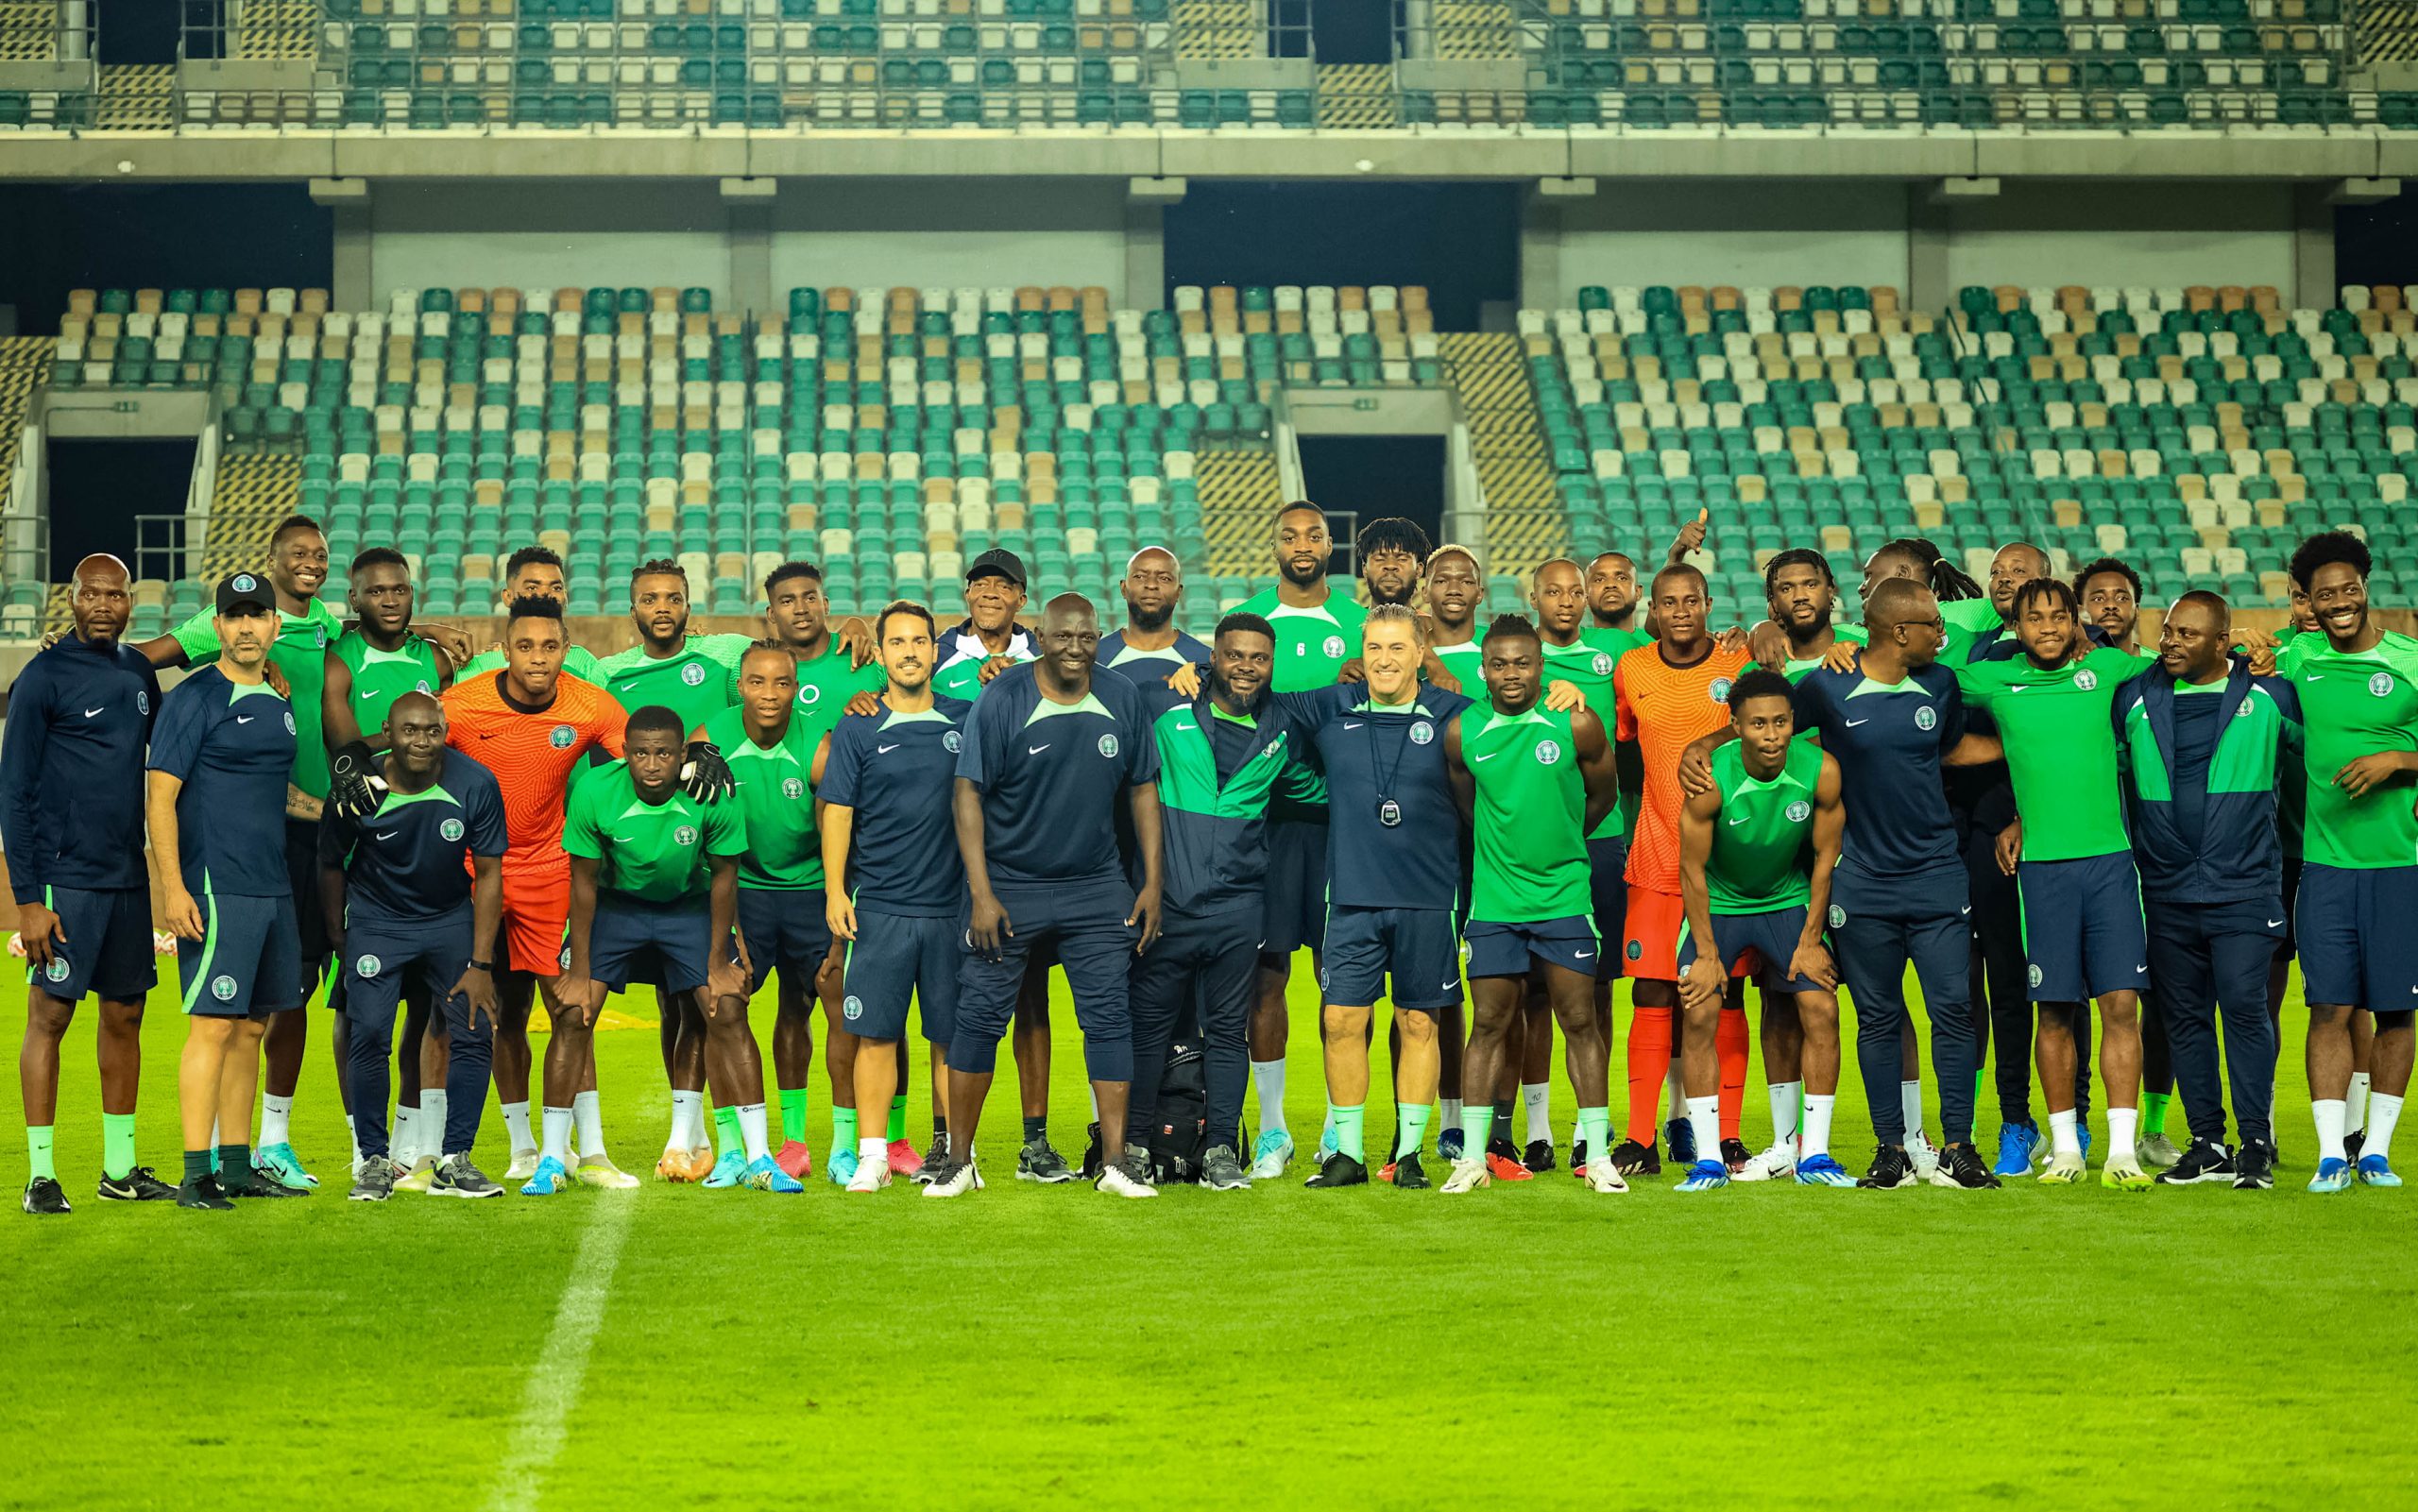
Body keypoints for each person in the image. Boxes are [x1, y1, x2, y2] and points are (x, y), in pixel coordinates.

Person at [1725, 576, 2000, 1189]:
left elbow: (1947, 749)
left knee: (1953, 1012)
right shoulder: (1829, 684)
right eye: (1932, 624)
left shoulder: (1940, 683)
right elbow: (1770, 728)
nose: (1941, 633)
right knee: (1877, 1017)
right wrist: (1703, 747)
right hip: (1863, 880)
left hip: (1936, 874)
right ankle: (1891, 1148)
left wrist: (2027, 747)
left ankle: (1958, 1146)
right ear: (1900, 631)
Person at [924, 594, 1164, 1200]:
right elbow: (967, 792)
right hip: (1011, 884)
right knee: (979, 1018)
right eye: (1063, 637)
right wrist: (981, 893)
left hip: (1095, 885)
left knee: (1109, 1018)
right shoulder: (1003, 698)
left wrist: (1152, 884)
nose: (1076, 648)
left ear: (1098, 637)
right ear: (1042, 637)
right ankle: (959, 1163)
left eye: (1087, 637)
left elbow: (1143, 789)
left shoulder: (1121, 696)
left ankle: (1115, 1164)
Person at [137, 518, 343, 1192]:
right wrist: (172, 890)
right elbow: (160, 797)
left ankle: (236, 1163)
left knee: (253, 1027)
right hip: (216, 886)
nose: (247, 627)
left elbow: (276, 790)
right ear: (218, 627)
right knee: (213, 1027)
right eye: (235, 616)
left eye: (257, 615)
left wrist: (337, 814)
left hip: (273, 886)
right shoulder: (195, 697)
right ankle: (196, 1175)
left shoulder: (277, 699)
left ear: (275, 625)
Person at [1956, 577, 2156, 1188]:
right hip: (2042, 871)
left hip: (2111, 864)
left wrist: (2257, 651)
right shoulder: (1993, 679)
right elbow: (1917, 670)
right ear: (2014, 627)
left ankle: (2121, 1151)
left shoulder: (2108, 667)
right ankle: (2066, 1148)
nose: (2047, 626)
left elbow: (2176, 660)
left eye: (2058, 616)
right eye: (2034, 617)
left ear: (2077, 622)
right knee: (2054, 1009)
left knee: (2120, 1005)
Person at [437, 596, 633, 1185]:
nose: (538, 658)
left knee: (573, 1008)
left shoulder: (589, 703)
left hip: (550, 868)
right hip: (475, 871)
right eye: (525, 647)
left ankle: (591, 1151)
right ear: (505, 650)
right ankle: (523, 1148)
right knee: (496, 1011)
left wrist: (698, 757)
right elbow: (412, 754)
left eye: (550, 647)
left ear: (567, 650)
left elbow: (646, 761)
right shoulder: (462, 705)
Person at [556, 705, 791, 1194]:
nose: (652, 764)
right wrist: (578, 971)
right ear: (624, 753)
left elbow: (724, 877)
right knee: (574, 1013)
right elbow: (583, 884)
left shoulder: (712, 791)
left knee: (726, 1007)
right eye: (641, 753)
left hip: (687, 908)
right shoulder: (595, 789)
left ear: (682, 753)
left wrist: (718, 961)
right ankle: (553, 1159)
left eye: (664, 754)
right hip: (617, 909)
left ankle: (761, 1158)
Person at [5, 554, 172, 1214]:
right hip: (64, 881)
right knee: (50, 1016)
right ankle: (40, 1176)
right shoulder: (41, 677)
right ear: (70, 599)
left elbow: (169, 750)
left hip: (127, 875)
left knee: (125, 1015)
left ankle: (120, 1169)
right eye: (91, 593)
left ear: (131, 602)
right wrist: (27, 900)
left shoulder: (137, 672)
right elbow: (14, 793)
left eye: (115, 594)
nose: (103, 604)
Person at [1126, 614, 1317, 1191]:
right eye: (1234, 655)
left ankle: (1220, 1152)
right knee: (1149, 1030)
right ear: (1213, 657)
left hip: (1239, 908)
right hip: (1168, 905)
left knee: (1230, 1032)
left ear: (1272, 664)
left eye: (1259, 658)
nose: (1246, 668)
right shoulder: (1163, 705)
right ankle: (1135, 1146)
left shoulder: (1282, 728)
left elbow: (1314, 788)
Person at [2115, 592, 2292, 1191]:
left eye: (2188, 634)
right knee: (2185, 1018)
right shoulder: (2135, 698)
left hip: (2244, 888)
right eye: (2168, 631)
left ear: (2222, 642)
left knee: (2244, 1011)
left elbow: (2323, 754)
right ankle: (2209, 1143)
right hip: (2166, 890)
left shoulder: (2272, 694)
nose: (2171, 642)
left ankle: (2256, 1142)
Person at [1440, 615, 1621, 1195]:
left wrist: (1563, 841)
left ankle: (1598, 1157)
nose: (1511, 673)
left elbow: (1604, 795)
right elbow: (1468, 808)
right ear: (1484, 670)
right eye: (1499, 664)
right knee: (1488, 1024)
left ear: (1542, 666)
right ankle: (1472, 1159)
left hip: (1564, 897)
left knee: (1580, 1021)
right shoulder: (1463, 732)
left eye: (1523, 663)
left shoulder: (1578, 723)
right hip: (1495, 904)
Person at [2273, 531, 2418, 1192]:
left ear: (2366, 588)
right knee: (2328, 1008)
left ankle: (2378, 1151)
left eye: (2349, 589)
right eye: (2324, 594)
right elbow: (2246, 667)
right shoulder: (2299, 657)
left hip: (2399, 865)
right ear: (2307, 601)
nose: (2339, 602)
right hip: (2325, 866)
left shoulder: (2408, 659)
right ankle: (2333, 1153)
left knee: (2397, 1012)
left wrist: (2399, 760)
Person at [319, 692, 507, 1199]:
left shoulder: (475, 783)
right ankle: (373, 1160)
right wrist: (339, 937)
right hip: (377, 923)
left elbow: (489, 873)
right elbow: (330, 863)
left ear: (444, 732)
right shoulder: (358, 790)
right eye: (409, 730)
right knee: (369, 1033)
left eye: (432, 730)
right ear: (388, 732)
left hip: (449, 921)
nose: (421, 741)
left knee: (474, 1028)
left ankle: (455, 1158)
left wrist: (481, 963)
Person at [816, 602, 974, 1191]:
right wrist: (835, 890)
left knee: (949, 1038)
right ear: (879, 654)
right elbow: (838, 812)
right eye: (898, 642)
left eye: (919, 641)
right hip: (880, 906)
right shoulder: (858, 726)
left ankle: (957, 1155)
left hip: (951, 909)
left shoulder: (966, 719)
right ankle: (873, 1156)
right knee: (876, 1034)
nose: (910, 652)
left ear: (935, 650)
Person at [1675, 670, 1849, 1189]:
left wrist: (1811, 940)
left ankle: (1813, 1154)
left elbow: (1825, 859)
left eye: (1780, 722)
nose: (1771, 735)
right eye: (1757, 724)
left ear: (1793, 722)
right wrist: (1708, 955)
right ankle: (1709, 1160)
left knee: (1821, 1007)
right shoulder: (1711, 781)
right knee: (1700, 1010)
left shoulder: (1821, 770)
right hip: (1720, 902)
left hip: (1786, 899)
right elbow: (1691, 871)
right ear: (1736, 726)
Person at [760, 561, 902, 1185]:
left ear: (826, 603)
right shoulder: (754, 670)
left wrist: (864, 629)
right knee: (791, 1004)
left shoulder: (863, 663)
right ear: (770, 613)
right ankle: (794, 1141)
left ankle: (876, 1139)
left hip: (860, 862)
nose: (799, 608)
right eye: (786, 600)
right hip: (776, 871)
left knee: (857, 1000)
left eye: (810, 597)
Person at [1235, 502, 1365, 1177]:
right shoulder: (1251, 618)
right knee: (1267, 976)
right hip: (1269, 828)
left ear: (1330, 543)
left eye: (1314, 534)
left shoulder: (1359, 623)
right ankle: (1273, 1129)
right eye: (1290, 535)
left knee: (1338, 979)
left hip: (1342, 828)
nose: (1302, 544)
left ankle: (1340, 1129)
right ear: (1275, 544)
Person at [1608, 564, 1751, 1177]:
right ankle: (1640, 1140)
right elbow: (1625, 748)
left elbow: (1759, 735)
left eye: (1692, 600)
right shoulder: (1632, 668)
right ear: (1654, 610)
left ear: (1709, 603)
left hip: (1726, 865)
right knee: (1650, 992)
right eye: (1669, 602)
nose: (1681, 611)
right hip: (1656, 857)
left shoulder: (1737, 663)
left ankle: (1729, 1137)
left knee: (1725, 995)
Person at [321, 547, 454, 1188]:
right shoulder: (341, 659)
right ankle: (362, 1144)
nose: (391, 599)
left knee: (423, 1012)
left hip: (431, 848)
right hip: (366, 851)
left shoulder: (436, 659)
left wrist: (402, 737)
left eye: (399, 589)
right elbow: (345, 751)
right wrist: (406, 735)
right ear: (355, 599)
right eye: (376, 591)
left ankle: (403, 1141)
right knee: (358, 1014)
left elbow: (451, 731)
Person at [2076, 554, 2182, 1168]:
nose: (2110, 605)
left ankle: (2156, 1126)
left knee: (2160, 992)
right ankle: (2079, 1124)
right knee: (2081, 993)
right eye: (2097, 596)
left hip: (2155, 845)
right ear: (2080, 607)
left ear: (2138, 605)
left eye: (2121, 595)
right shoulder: (2067, 673)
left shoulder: (2154, 673)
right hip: (2088, 845)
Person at [453, 546, 605, 683]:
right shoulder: (478, 669)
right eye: (532, 588)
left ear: (565, 597)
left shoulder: (588, 667)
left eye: (556, 588)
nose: (546, 595)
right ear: (508, 597)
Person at [932, 549, 1035, 701]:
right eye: (981, 585)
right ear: (968, 594)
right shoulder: (937, 656)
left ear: (1021, 601)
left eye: (1004, 587)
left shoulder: (1041, 657)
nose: (990, 593)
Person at [1098, 546, 1212, 676]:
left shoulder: (1205, 662)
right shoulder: (1094, 658)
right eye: (1140, 576)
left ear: (1178, 592)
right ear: (1123, 588)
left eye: (1164, 578)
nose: (1151, 585)